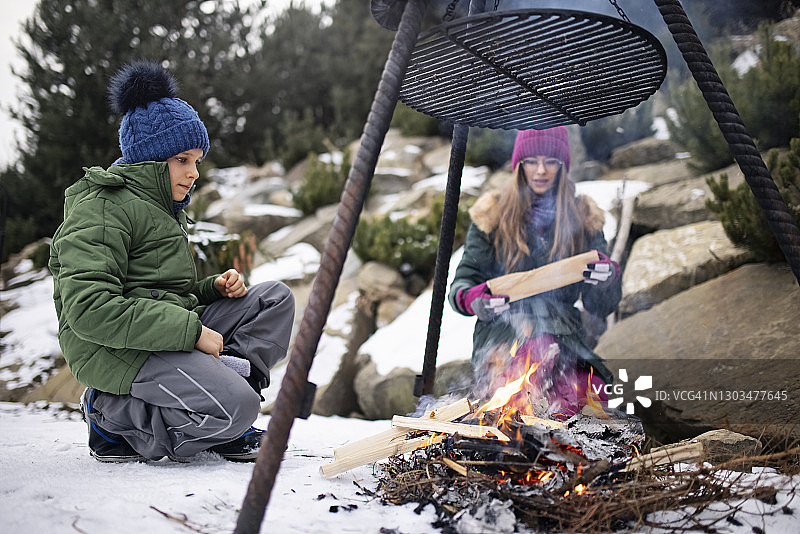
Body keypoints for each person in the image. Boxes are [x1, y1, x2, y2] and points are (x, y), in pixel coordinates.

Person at [48, 61, 295, 463]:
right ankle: (110, 417)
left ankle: (221, 400)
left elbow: (162, 293)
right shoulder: (102, 207)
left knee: (274, 299)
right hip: (117, 350)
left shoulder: (162, 207)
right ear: (151, 158)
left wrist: (210, 288)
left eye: (197, 161)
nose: (194, 173)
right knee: (238, 408)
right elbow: (89, 310)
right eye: (183, 160)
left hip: (157, 333)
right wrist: (190, 331)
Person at [448, 127, 621, 420]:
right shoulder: (493, 216)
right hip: (504, 336)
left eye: (551, 161)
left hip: (566, 338)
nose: (541, 170)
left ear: (563, 165)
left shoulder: (584, 217)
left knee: (593, 396)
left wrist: (606, 279)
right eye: (532, 161)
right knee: (531, 395)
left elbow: (600, 306)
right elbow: (462, 284)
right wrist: (476, 300)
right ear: (519, 165)